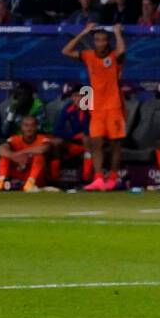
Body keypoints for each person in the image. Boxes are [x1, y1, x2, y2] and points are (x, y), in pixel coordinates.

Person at [61, 23, 127, 192]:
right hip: (96, 108)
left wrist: (118, 33)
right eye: (97, 40)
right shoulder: (88, 55)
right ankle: (98, 179)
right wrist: (83, 32)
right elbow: (65, 51)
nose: (100, 43)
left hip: (114, 107)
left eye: (104, 40)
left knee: (115, 145)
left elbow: (122, 51)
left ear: (108, 42)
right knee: (95, 143)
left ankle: (112, 178)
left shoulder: (114, 56)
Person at [0, 115, 53, 192]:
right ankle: (2, 181)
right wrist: (13, 156)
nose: (29, 128)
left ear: (36, 127)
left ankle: (30, 183)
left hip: (35, 178)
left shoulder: (42, 139)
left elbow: (43, 149)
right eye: (26, 125)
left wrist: (20, 154)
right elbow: (0, 149)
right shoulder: (14, 139)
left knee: (39, 156)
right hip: (17, 174)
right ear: (21, 127)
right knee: (4, 156)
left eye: (32, 125)